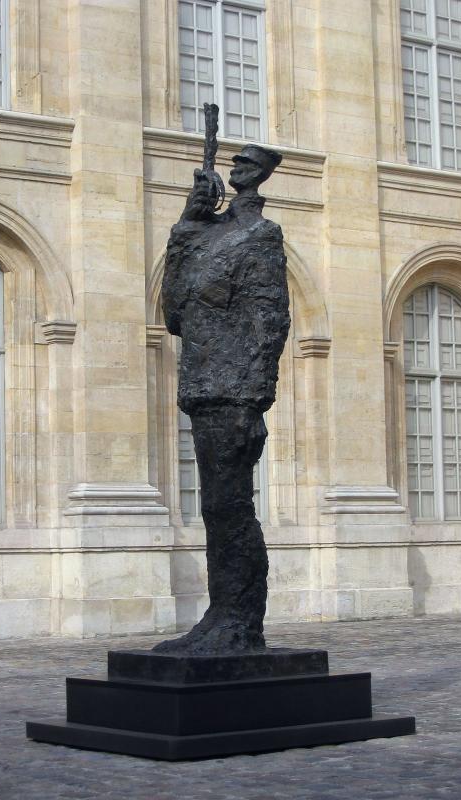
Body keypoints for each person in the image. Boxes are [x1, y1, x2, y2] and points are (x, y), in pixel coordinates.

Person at [155, 144, 290, 655]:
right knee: (217, 508)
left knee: (232, 508)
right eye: (233, 163)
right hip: (204, 387)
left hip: (235, 395)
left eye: (246, 164)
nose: (235, 169)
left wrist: (254, 397)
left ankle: (239, 619)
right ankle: (220, 614)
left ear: (262, 175)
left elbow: (270, 319)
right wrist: (184, 227)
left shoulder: (261, 235)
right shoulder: (203, 234)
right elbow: (174, 314)